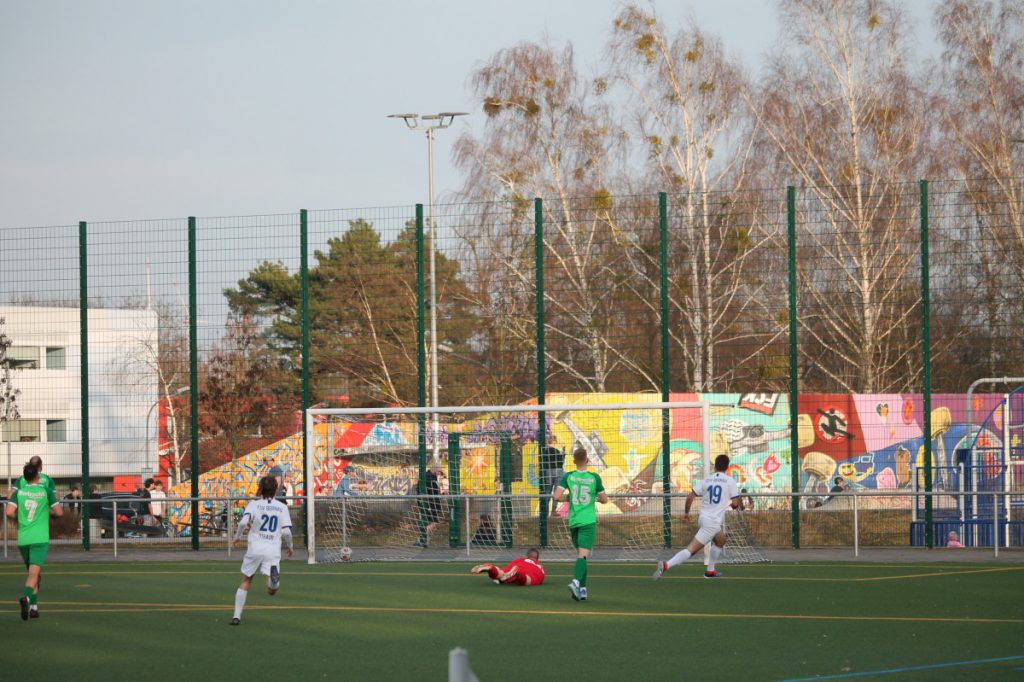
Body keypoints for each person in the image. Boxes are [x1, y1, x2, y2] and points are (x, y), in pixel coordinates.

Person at [654, 453, 739, 580]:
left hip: (704, 518)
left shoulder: (707, 480)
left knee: (720, 540)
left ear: (715, 466)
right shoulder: (730, 481)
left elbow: (690, 497)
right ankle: (666, 565)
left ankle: (710, 571)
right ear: (727, 467)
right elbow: (736, 504)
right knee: (691, 550)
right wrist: (728, 505)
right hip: (712, 522)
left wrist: (686, 513)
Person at [229, 476, 294, 626]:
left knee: (247, 579)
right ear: (276, 489)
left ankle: (236, 616)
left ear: (260, 489)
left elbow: (243, 523)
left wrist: (237, 537)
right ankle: (273, 581)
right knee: (271, 591)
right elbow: (287, 532)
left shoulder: (254, 505)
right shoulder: (282, 507)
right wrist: (290, 546)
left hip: (255, 548)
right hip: (272, 550)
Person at [6, 461, 63, 620]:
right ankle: (26, 597)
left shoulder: (19, 492)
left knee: (33, 573)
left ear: (24, 477)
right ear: (38, 475)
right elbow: (59, 512)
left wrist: (18, 518)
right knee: (34, 573)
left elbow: (9, 512)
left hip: (24, 538)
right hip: (39, 538)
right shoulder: (45, 491)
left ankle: (33, 608)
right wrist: (48, 514)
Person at [552, 448, 608, 601]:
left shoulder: (568, 476)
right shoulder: (594, 477)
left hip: (574, 521)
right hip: (588, 521)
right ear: (587, 460)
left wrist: (569, 498)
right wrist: (594, 498)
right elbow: (605, 499)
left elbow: (556, 496)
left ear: (574, 461)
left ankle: (583, 590)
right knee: (583, 556)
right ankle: (576, 582)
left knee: (581, 556)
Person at [471, 547, 546, 586]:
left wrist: (501, 580)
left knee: (501, 574)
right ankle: (519, 573)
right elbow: (541, 577)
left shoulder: (520, 559)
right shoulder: (540, 566)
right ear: (537, 559)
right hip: (532, 571)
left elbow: (507, 570)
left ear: (526, 556)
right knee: (528, 580)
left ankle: (492, 568)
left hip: (517, 565)